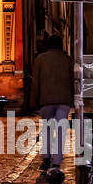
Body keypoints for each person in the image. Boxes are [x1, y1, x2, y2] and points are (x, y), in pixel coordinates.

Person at [29, 33, 74, 169]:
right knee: (60, 130)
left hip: (46, 99)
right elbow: (73, 81)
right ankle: (57, 161)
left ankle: (46, 158)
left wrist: (32, 101)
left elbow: (35, 82)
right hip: (63, 100)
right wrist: (74, 98)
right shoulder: (67, 59)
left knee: (47, 128)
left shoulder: (40, 59)